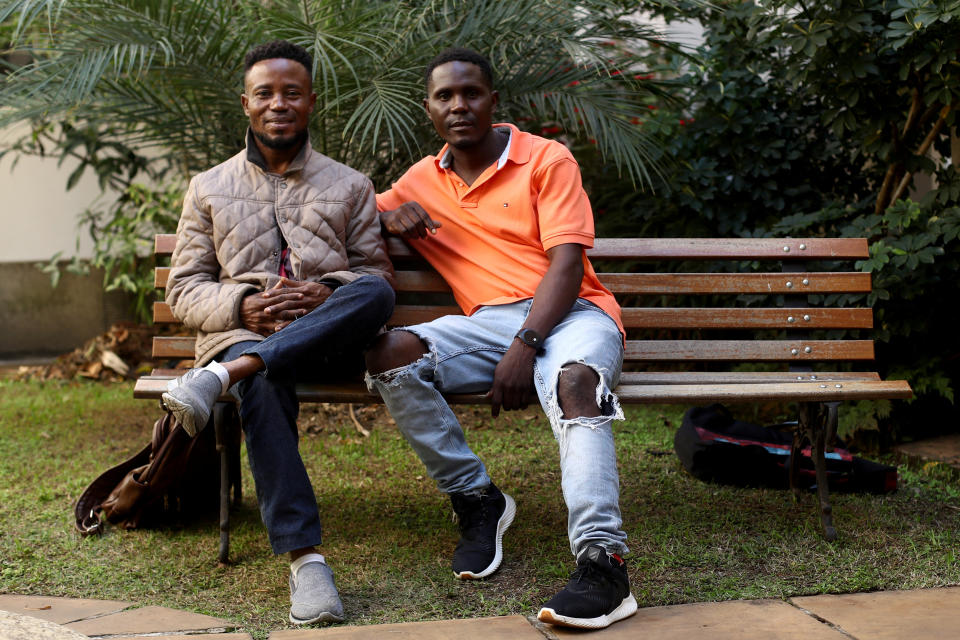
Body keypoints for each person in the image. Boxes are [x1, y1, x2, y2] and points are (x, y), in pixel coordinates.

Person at [365, 47, 636, 630]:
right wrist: (387, 217)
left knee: (575, 384)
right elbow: (356, 210)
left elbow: (566, 265)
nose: (459, 105)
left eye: (471, 93)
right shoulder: (419, 180)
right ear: (429, 109)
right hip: (485, 323)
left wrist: (527, 342)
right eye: (445, 96)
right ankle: (478, 499)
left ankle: (603, 562)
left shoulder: (545, 158)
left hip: (572, 314)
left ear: (493, 101)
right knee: (389, 357)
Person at [161, 40, 395, 626]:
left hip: (327, 340)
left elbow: (374, 277)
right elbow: (184, 287)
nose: (278, 103)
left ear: (310, 102)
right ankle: (306, 561)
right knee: (262, 380)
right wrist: (242, 305)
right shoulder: (208, 187)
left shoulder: (350, 184)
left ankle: (220, 379)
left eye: (292, 92)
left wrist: (328, 291)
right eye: (265, 93)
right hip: (244, 337)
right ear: (246, 103)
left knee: (376, 292)